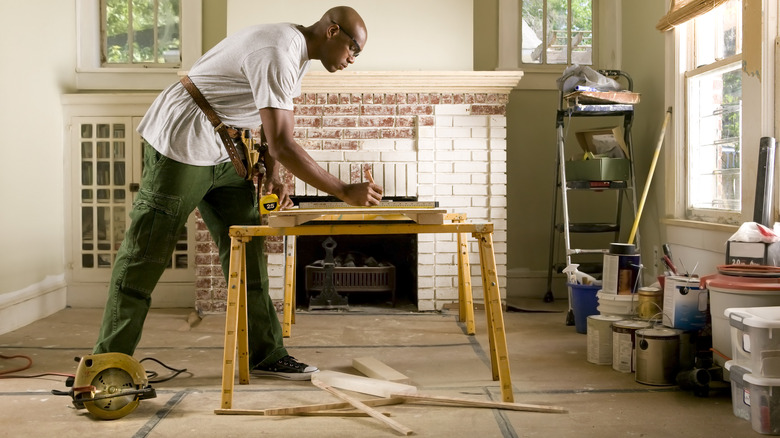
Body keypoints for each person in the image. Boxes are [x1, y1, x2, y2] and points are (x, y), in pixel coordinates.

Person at [92, 6, 383, 380]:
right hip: (182, 140)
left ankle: (265, 353)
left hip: (224, 148)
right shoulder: (278, 51)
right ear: (332, 32)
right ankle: (106, 367)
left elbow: (269, 126)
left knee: (247, 248)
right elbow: (282, 142)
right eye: (353, 48)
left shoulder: (298, 54)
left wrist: (275, 175)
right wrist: (343, 190)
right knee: (145, 254)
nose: (352, 59)